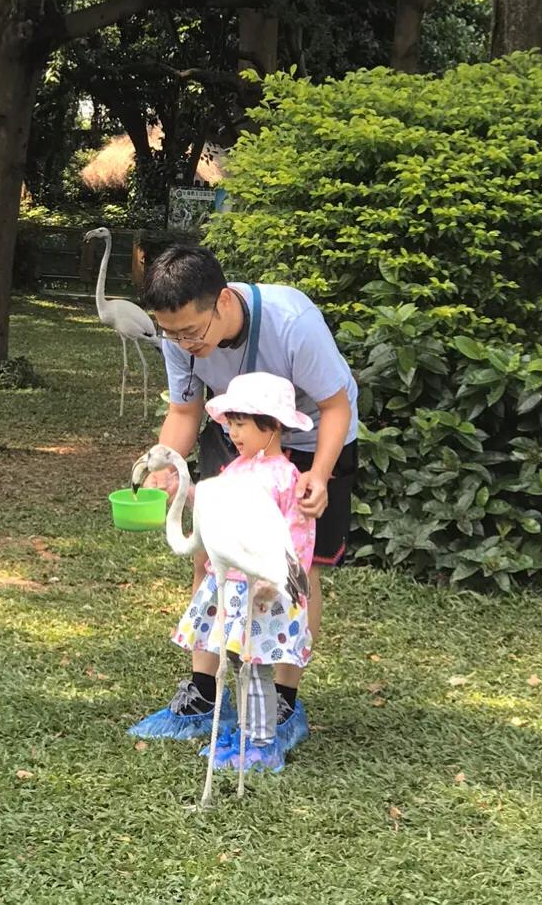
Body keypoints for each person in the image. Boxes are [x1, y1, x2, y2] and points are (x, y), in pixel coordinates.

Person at [129, 245, 358, 751]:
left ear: (224, 301)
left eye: (192, 331)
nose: (184, 344)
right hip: (233, 436)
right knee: (210, 554)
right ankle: (203, 695)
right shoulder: (180, 337)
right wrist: (167, 464)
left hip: (313, 438)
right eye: (171, 334)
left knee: (298, 565)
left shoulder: (292, 322)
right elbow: (186, 413)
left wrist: (318, 475)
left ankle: (282, 702)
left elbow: (336, 406)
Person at [166, 373, 316, 772]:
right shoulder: (236, 470)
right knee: (237, 661)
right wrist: (184, 489)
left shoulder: (286, 478)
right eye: (230, 424)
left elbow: (297, 535)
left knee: (257, 666)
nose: (232, 433)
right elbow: (217, 504)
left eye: (241, 424)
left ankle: (262, 742)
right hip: (230, 587)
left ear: (272, 424)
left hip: (263, 592)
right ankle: (249, 731)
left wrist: (274, 582)